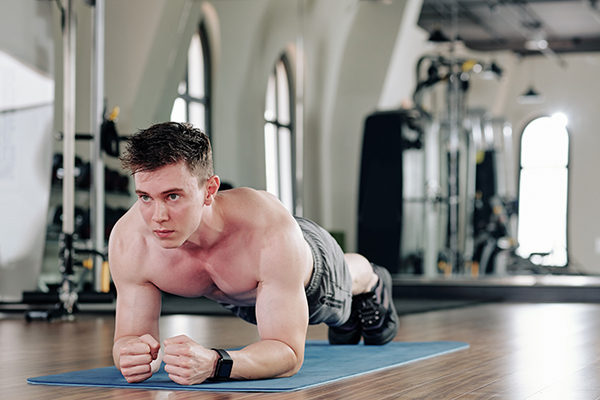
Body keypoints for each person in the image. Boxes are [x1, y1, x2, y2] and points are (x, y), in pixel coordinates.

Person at [109, 122, 398, 385]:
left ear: (209, 190)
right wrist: (130, 353)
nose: (157, 216)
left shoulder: (269, 235)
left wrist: (216, 363)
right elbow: (128, 338)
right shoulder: (131, 242)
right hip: (246, 289)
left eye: (173, 196)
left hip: (308, 272)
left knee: (345, 285)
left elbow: (288, 353)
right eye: (145, 197)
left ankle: (373, 280)